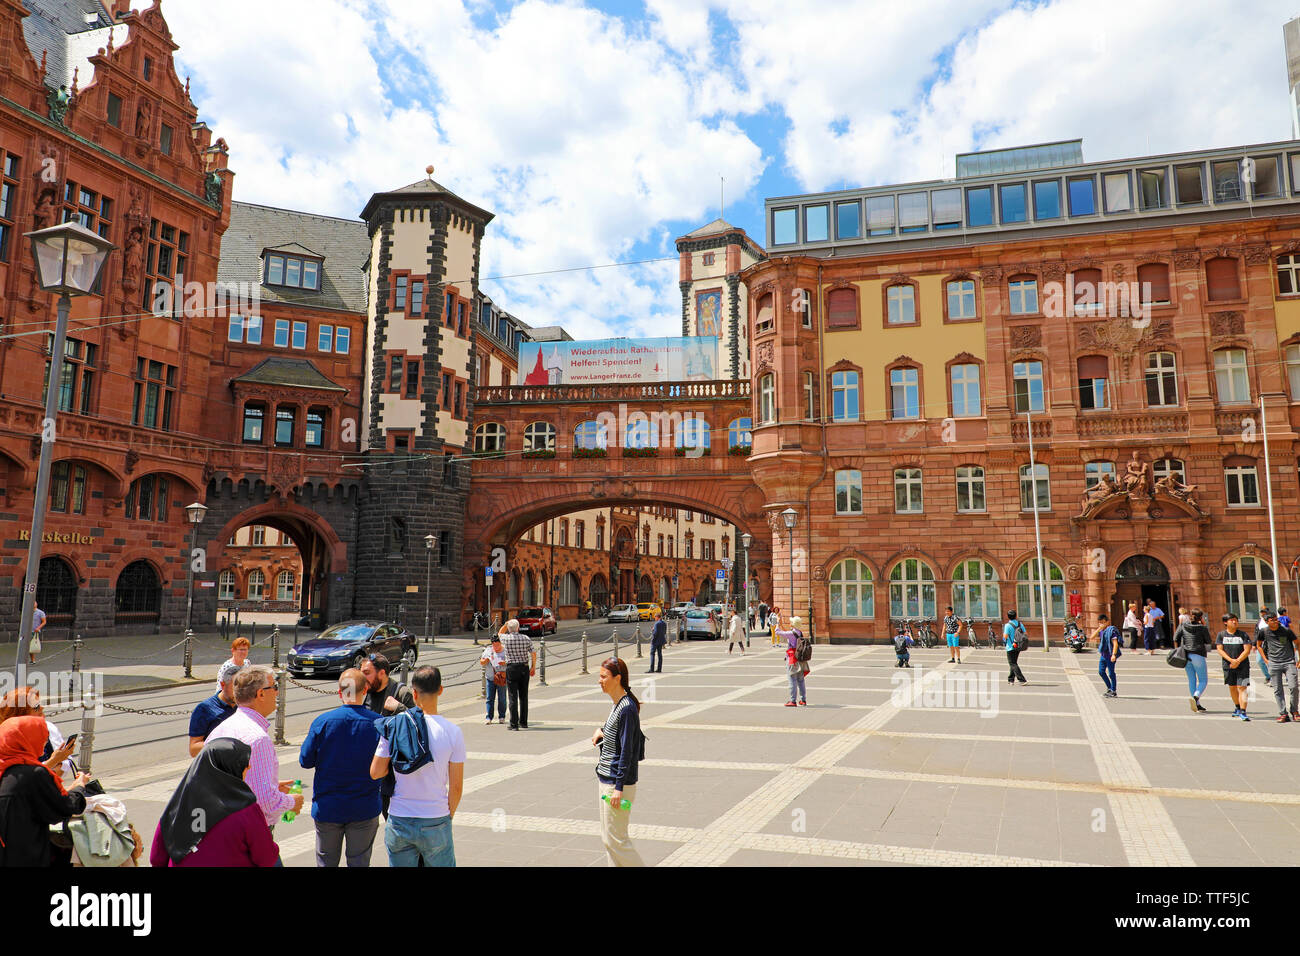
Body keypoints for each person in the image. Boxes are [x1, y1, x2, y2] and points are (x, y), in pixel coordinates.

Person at [370, 666, 465, 867]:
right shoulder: (453, 732)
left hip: (399, 816)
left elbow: (375, 772)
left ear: (413, 693)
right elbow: (456, 787)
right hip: (435, 816)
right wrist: (447, 816)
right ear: (441, 690)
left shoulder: (394, 726)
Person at [206, 665, 303, 841]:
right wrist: (293, 802)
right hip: (249, 832)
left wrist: (270, 782)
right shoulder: (258, 738)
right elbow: (265, 801)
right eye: (274, 687)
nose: (277, 692)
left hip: (219, 825)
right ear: (261, 694)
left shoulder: (222, 728)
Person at [149, 738, 279, 867]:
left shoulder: (178, 806)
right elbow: (266, 859)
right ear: (229, 768)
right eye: (243, 763)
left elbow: (156, 858)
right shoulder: (246, 811)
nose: (249, 767)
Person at [299, 668, 382, 867]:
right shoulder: (379, 723)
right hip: (364, 806)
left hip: (328, 806)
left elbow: (305, 760)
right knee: (360, 861)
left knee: (326, 862)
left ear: (339, 692)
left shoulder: (323, 722)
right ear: (365, 690)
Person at [0, 715, 92, 867]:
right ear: (26, 740)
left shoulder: (6, 770)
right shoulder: (34, 774)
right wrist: (79, 786)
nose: (44, 742)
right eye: (41, 737)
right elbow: (66, 807)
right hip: (26, 856)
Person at [591, 657, 645, 867]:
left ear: (617, 678)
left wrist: (619, 787)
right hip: (606, 778)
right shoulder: (617, 705)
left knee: (617, 840)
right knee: (608, 839)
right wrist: (601, 731)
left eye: (604, 676)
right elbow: (616, 732)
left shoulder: (627, 708)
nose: (599, 680)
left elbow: (628, 752)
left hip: (617, 783)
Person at [0, 688, 76, 779]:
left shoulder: (48, 727)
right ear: (20, 713)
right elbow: (18, 779)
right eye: (36, 706)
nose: (41, 707)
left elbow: (64, 765)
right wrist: (54, 761)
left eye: (39, 704)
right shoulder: (5, 739)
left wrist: (53, 765)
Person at [1257, 611, 1300, 722]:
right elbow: (1259, 645)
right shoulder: (1264, 632)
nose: (1276, 621)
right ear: (1267, 622)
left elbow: (1297, 642)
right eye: (1272, 620)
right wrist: (1265, 660)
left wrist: (1298, 658)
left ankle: (1294, 711)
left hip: (1289, 662)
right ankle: (1283, 713)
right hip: (1274, 663)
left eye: (1276, 619)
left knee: (1294, 686)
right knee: (1277, 689)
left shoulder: (1286, 631)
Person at [188, 664, 238, 756]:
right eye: (235, 687)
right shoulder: (204, 709)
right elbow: (194, 749)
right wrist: (224, 744)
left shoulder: (245, 706)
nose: (239, 692)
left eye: (243, 688)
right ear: (223, 685)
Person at [499, 618, 536, 731]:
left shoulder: (506, 638)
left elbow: (500, 633)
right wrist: (533, 666)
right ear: (518, 628)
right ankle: (523, 722)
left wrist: (506, 624)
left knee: (512, 696)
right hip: (524, 667)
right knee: (524, 696)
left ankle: (514, 724)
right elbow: (533, 653)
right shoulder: (526, 638)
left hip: (511, 668)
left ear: (509, 629)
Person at [1174, 608, 1212, 713]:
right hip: (1198, 654)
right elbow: (1208, 641)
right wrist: (1204, 625)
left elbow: (1175, 637)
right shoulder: (1202, 628)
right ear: (1201, 617)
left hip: (1186, 655)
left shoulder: (1183, 625)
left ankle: (1197, 704)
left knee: (1192, 679)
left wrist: (1179, 648)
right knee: (1203, 680)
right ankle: (1196, 696)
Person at [1216, 613, 1253, 721]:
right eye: (1231, 620)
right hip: (1228, 665)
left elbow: (1247, 650)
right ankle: (1237, 707)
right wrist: (1231, 660)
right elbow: (1220, 649)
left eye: (1236, 620)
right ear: (1225, 622)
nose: (1234, 622)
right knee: (1232, 687)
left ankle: (1243, 711)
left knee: (1242, 687)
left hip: (1243, 665)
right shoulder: (1221, 635)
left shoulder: (1243, 635)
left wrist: (1238, 660)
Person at [1091, 613, 1121, 698]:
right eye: (1100, 622)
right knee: (1101, 671)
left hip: (1110, 655)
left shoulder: (1111, 631)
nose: (1101, 624)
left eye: (1103, 622)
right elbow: (1092, 637)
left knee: (1111, 673)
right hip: (1103, 655)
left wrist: (1114, 655)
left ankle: (1113, 690)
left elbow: (1115, 644)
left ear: (1107, 622)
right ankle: (1109, 688)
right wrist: (1099, 628)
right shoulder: (1101, 631)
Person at [479, 635, 508, 724]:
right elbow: (482, 661)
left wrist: (504, 663)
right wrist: (485, 661)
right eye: (494, 645)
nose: (496, 647)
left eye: (498, 645)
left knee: (502, 698)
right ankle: (489, 717)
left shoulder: (505, 651)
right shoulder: (488, 650)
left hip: (501, 678)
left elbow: (511, 662)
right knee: (489, 698)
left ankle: (502, 716)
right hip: (490, 677)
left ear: (500, 643)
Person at [1003, 610, 1028, 685]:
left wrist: (1004, 642)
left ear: (1008, 616)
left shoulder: (1007, 625)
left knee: (1012, 663)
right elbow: (1025, 633)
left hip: (1010, 647)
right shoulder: (1020, 624)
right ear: (1015, 616)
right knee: (1014, 663)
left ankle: (1022, 679)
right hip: (1018, 646)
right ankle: (1011, 679)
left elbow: (1005, 636)